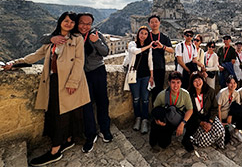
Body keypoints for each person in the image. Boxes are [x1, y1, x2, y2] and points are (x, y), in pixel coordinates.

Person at [4, 12, 90, 166]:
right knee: (57, 113)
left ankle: (55, 151)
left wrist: (72, 82)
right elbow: (35, 55)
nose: (69, 24)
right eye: (66, 21)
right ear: (60, 22)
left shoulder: (76, 39)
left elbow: (79, 61)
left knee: (63, 114)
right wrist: (15, 63)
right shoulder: (52, 40)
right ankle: (67, 141)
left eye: (72, 22)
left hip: (70, 82)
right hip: (54, 80)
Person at [41, 13, 112, 153]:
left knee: (102, 101)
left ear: (92, 24)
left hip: (98, 72)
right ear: (77, 23)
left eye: (88, 23)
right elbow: (42, 39)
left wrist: (97, 41)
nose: (85, 26)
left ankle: (105, 129)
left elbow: (106, 52)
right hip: (81, 76)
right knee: (86, 106)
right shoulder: (71, 35)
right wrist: (51, 38)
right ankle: (90, 135)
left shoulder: (96, 34)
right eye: (82, 23)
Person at [149, 72, 193, 150]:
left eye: (178, 82)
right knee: (153, 143)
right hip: (165, 120)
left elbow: (190, 110)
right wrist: (157, 121)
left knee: (164, 144)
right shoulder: (162, 95)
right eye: (173, 82)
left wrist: (183, 123)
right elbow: (155, 109)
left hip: (177, 119)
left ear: (181, 83)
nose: (175, 86)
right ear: (169, 83)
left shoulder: (185, 94)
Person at [186, 72, 225, 151]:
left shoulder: (210, 91)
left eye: (199, 79)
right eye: (195, 81)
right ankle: (196, 139)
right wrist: (201, 123)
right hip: (197, 119)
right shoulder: (189, 94)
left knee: (220, 130)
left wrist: (210, 122)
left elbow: (215, 108)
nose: (198, 83)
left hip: (208, 116)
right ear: (192, 83)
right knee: (204, 142)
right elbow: (190, 112)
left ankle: (214, 140)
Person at [127, 26, 154, 134]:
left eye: (145, 34)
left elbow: (150, 62)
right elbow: (134, 51)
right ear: (138, 34)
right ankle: (138, 118)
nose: (143, 35)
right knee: (136, 99)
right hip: (134, 76)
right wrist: (148, 46)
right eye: (141, 33)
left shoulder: (149, 48)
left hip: (146, 76)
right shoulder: (132, 44)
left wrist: (152, 76)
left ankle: (144, 120)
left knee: (145, 99)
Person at [148, 15, 174, 103]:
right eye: (152, 22)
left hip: (160, 66)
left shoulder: (164, 37)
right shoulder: (146, 36)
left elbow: (171, 50)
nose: (154, 24)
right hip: (147, 67)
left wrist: (162, 46)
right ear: (149, 24)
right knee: (147, 91)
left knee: (159, 90)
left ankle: (158, 112)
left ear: (159, 23)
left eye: (156, 22)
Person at [217, 75, 242, 143]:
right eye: (231, 83)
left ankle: (236, 131)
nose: (233, 85)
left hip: (229, 114)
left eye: (234, 83)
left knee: (241, 109)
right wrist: (220, 122)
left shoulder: (236, 93)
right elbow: (218, 108)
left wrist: (230, 115)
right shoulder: (222, 93)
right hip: (221, 114)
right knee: (226, 140)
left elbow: (236, 107)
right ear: (227, 84)